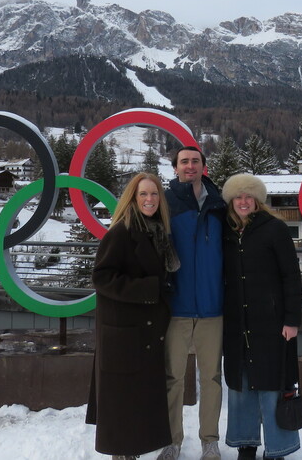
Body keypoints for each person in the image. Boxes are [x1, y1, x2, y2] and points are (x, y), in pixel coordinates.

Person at [87, 173, 180, 460]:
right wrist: (150, 288)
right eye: (143, 194)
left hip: (144, 331)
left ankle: (132, 450)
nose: (149, 199)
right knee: (123, 398)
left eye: (154, 194)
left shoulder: (158, 232)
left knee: (138, 398)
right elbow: (101, 278)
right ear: (132, 198)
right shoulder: (121, 231)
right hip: (125, 330)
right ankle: (122, 453)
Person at [220, 174, 302, 460]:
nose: (243, 202)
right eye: (238, 197)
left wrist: (292, 320)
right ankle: (245, 444)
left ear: (257, 200)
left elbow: (291, 276)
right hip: (236, 323)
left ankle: (278, 447)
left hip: (271, 322)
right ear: (231, 201)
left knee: (272, 385)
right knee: (241, 385)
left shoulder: (275, 229)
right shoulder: (226, 231)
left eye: (248, 196)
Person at [159, 145, 226, 460]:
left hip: (213, 307)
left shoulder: (218, 204)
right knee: (173, 377)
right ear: (175, 168)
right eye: (183, 161)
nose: (189, 166)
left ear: (204, 166)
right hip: (177, 308)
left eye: (195, 161)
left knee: (211, 377)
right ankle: (172, 441)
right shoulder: (165, 203)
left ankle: (209, 441)